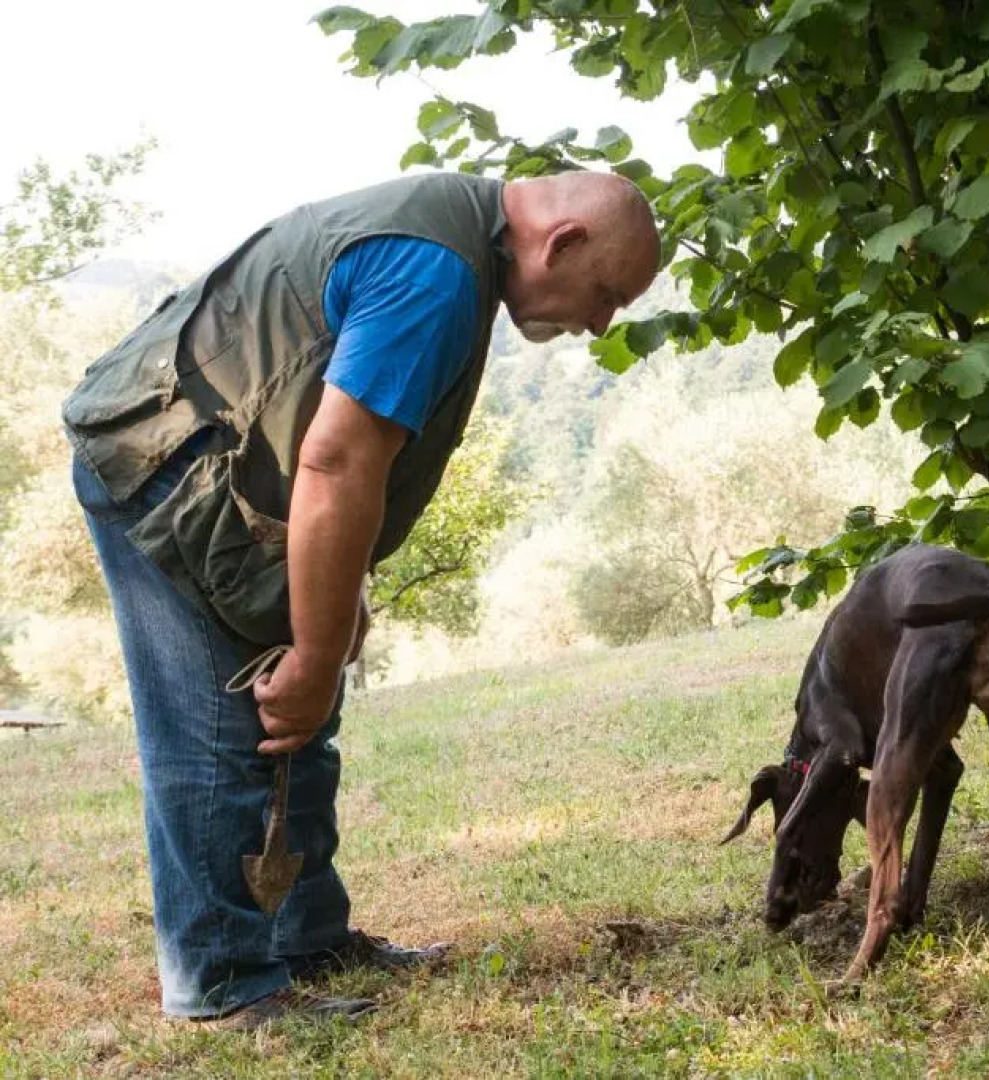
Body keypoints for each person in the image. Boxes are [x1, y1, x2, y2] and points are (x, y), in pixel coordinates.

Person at [62, 169, 660, 1030]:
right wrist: (310, 652)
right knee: (223, 729)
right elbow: (337, 461)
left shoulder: (458, 241)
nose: (600, 323)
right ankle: (222, 984)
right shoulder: (436, 270)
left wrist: (335, 610)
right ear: (561, 242)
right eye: (605, 295)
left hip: (223, 470)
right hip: (156, 463)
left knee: (309, 714)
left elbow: (338, 452)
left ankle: (309, 939)